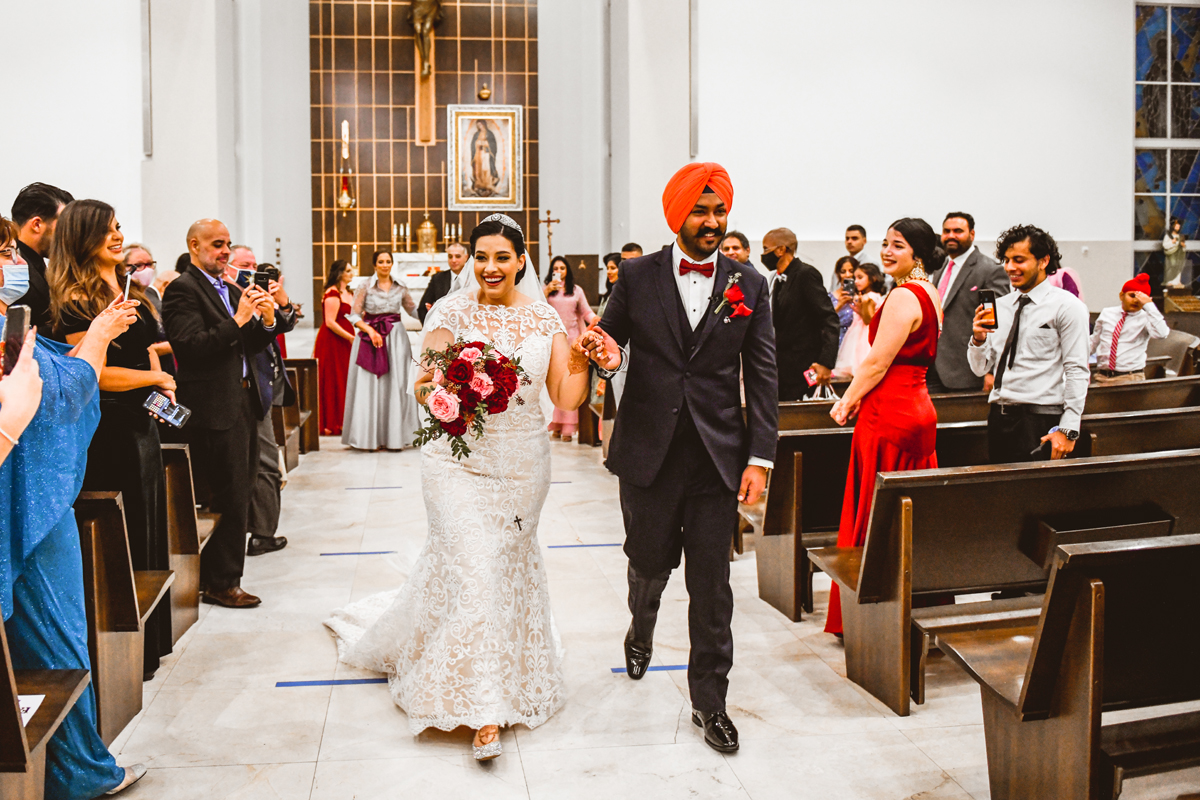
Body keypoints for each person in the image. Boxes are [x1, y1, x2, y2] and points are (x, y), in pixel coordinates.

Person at [326, 214, 590, 760]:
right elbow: (422, 385)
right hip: (456, 464)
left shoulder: (543, 318)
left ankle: (498, 672)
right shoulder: (449, 311)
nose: (491, 267)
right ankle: (484, 706)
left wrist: (583, 359)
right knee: (474, 566)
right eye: (482, 257)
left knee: (501, 568)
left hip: (521, 467)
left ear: (521, 261)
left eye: (502, 257)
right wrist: (451, 395)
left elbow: (566, 397)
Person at [580, 162, 778, 754]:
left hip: (717, 456)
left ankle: (709, 701)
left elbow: (762, 375)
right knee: (648, 563)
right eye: (701, 211)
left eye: (720, 212)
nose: (713, 223)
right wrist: (607, 358)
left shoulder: (749, 283)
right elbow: (609, 342)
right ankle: (641, 625)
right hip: (649, 451)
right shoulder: (637, 275)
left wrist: (760, 457)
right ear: (677, 215)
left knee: (712, 584)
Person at [1, 274, 148, 797]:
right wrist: (101, 334)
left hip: (28, 497)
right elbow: (58, 399)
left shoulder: (12, 321)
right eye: (4, 252)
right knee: (57, 639)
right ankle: (79, 772)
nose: (14, 263)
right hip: (30, 505)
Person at [48, 199, 178, 679]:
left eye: (119, 227)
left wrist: (160, 385)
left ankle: (152, 640)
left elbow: (146, 350)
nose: (118, 236)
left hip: (142, 418)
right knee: (127, 528)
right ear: (84, 237)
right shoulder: (75, 299)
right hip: (109, 426)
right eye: (107, 230)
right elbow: (93, 373)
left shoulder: (128, 288)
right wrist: (153, 380)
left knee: (150, 520)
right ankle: (128, 655)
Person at [825, 218, 944, 636]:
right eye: (886, 244)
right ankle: (915, 606)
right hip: (918, 407)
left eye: (899, 245)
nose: (887, 252)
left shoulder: (903, 296)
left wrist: (846, 401)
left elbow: (877, 362)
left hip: (889, 413)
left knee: (876, 513)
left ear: (918, 254)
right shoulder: (929, 291)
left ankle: (871, 617)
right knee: (909, 514)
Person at [163, 218, 281, 609]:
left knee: (241, 491)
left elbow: (246, 343)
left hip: (242, 401)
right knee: (227, 496)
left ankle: (223, 576)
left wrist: (266, 320)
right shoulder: (183, 289)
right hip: (213, 407)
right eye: (217, 244)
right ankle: (221, 582)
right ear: (193, 245)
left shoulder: (228, 288)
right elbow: (190, 346)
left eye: (228, 243)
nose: (225, 251)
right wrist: (239, 319)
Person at [968, 225, 1090, 464]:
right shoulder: (1001, 306)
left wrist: (1068, 429)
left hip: (1041, 418)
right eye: (1006, 260)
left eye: (1019, 260)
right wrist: (978, 339)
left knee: (1038, 488)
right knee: (1001, 486)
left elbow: (1077, 369)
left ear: (1043, 261)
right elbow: (980, 369)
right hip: (999, 416)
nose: (1009, 267)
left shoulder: (1067, 306)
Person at [222, 247, 297, 558]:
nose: (251, 271)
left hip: (260, 386)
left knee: (266, 461)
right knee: (258, 463)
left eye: (254, 265)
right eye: (245, 265)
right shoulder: (225, 296)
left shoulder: (257, 293)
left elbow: (282, 326)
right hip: (237, 387)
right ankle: (255, 532)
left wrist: (282, 303)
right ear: (229, 267)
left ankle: (263, 531)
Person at [342, 250, 420, 451]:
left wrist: (432, 311)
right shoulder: (365, 286)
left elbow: (412, 309)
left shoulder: (400, 286)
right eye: (381, 261)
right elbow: (354, 315)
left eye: (388, 261)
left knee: (397, 383)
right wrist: (370, 330)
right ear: (375, 265)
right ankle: (369, 438)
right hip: (371, 338)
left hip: (396, 338)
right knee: (370, 385)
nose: (385, 265)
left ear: (392, 264)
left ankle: (396, 437)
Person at [925, 212, 1010, 394]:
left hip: (967, 370)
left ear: (972, 234)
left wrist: (990, 370)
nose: (951, 236)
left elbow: (998, 323)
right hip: (932, 366)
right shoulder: (940, 267)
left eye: (958, 231)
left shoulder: (990, 270)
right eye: (947, 231)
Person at [763, 226, 840, 399]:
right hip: (783, 368)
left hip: (806, 365)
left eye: (766, 249)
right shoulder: (778, 279)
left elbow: (829, 319)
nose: (763, 255)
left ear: (781, 250)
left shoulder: (806, 274)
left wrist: (826, 362)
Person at [10, 182, 75, 337]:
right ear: (37, 224)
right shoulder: (9, 266)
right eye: (64, 226)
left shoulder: (43, 265)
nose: (69, 235)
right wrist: (75, 328)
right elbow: (12, 333)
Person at [544, 255, 597, 441]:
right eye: (555, 268)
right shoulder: (547, 290)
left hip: (572, 339)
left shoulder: (576, 290)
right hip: (553, 340)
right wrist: (547, 291)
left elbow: (586, 311)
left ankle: (568, 427)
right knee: (555, 382)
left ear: (567, 270)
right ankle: (556, 425)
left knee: (570, 382)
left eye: (562, 268)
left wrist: (597, 320)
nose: (559, 271)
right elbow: (537, 308)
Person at [1089, 272, 1169, 384]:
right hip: (1102, 376)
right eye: (1132, 296)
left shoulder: (1146, 318)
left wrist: (1149, 305)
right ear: (1121, 296)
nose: (1136, 300)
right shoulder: (1107, 313)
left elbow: (1162, 333)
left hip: (1130, 376)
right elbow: (1095, 340)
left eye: (1141, 298)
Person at [314, 259, 356, 435]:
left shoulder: (348, 292)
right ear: (339, 273)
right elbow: (330, 322)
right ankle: (331, 421)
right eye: (348, 271)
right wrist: (350, 337)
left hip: (345, 339)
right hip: (333, 340)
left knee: (344, 377)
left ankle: (343, 419)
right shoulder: (332, 293)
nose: (351, 273)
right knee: (333, 378)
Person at [832, 261, 886, 380]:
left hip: (863, 335)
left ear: (873, 279)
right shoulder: (872, 296)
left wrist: (862, 308)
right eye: (855, 278)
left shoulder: (868, 298)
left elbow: (868, 320)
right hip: (859, 332)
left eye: (860, 278)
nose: (856, 281)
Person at [418, 241, 470, 323]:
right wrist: (430, 328)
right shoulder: (438, 278)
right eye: (450, 256)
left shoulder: (474, 277)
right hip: (443, 327)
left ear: (466, 257)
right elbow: (422, 308)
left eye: (458, 256)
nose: (453, 260)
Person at [830, 256, 859, 344]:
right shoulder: (829, 297)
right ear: (838, 274)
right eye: (843, 272)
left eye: (851, 271)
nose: (847, 275)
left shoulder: (863, 297)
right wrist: (839, 305)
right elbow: (822, 321)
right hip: (834, 340)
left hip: (855, 342)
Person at [1163, 218, 1187, 288]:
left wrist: (1183, 246)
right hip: (1171, 255)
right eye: (1176, 226)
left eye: (1179, 226)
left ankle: (1177, 282)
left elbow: (1183, 247)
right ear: (1173, 227)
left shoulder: (1180, 236)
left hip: (1178, 256)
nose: (1178, 227)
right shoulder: (1168, 236)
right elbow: (1165, 245)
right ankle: (1170, 281)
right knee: (1171, 267)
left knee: (1178, 268)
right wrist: (1172, 242)